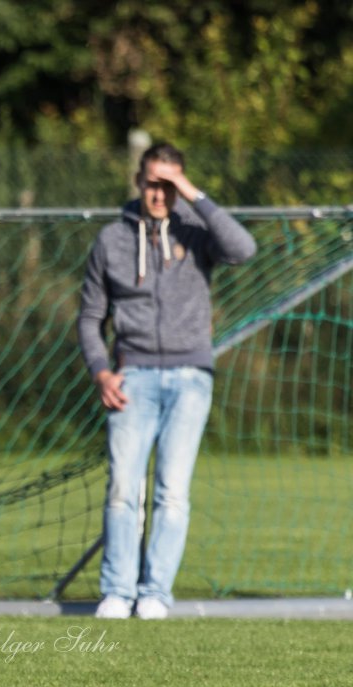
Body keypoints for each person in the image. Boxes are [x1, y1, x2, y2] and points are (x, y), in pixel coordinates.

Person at [78, 141, 256, 620]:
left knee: (171, 491)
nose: (159, 194)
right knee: (123, 488)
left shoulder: (197, 231)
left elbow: (244, 249)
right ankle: (118, 590)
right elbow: (91, 317)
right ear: (138, 181)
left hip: (190, 376)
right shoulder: (111, 241)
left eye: (169, 184)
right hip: (132, 375)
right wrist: (101, 370)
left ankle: (155, 592)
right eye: (153, 183)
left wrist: (193, 195)